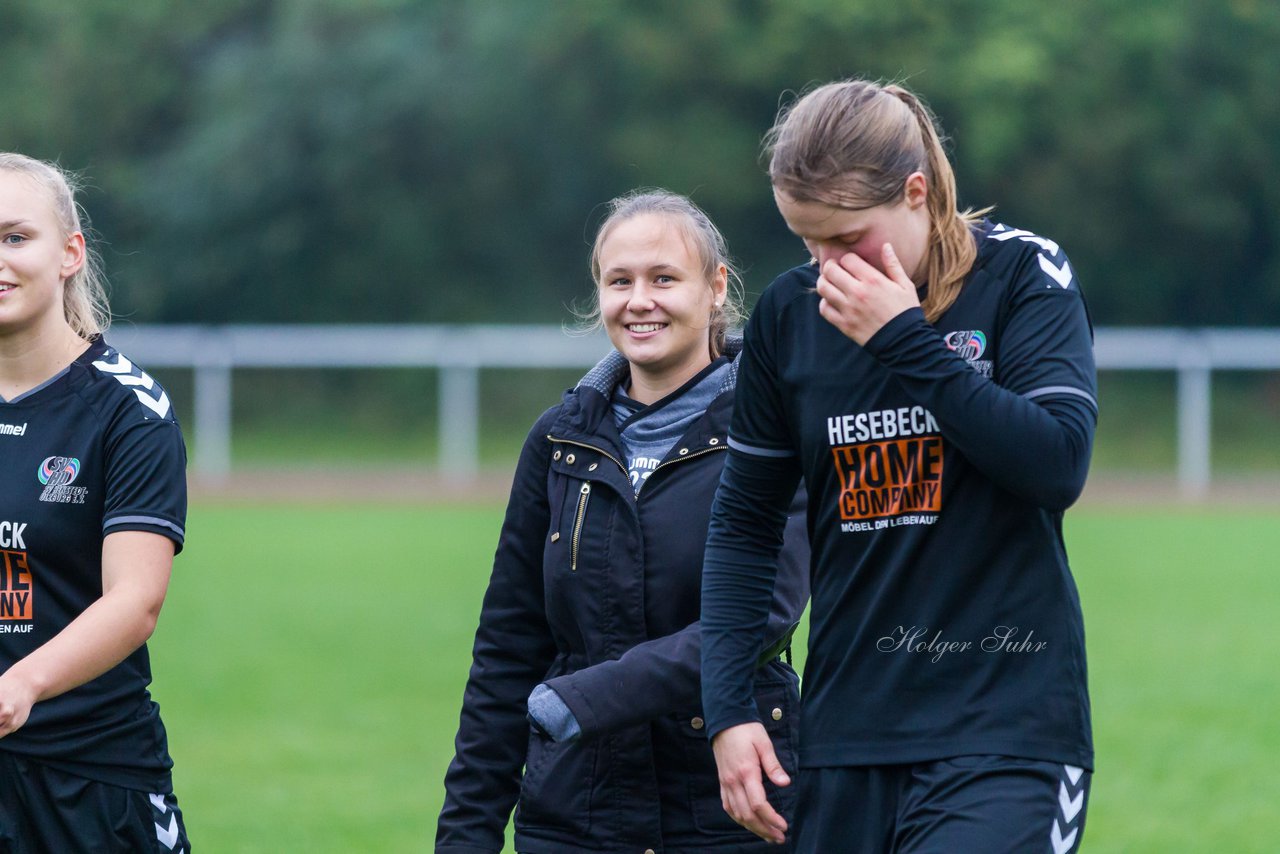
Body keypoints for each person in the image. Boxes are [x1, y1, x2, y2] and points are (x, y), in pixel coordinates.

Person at [701, 80, 1097, 853]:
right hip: (846, 738)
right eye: (805, 242)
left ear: (916, 193)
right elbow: (744, 527)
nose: (826, 266)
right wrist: (729, 709)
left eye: (846, 240)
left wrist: (903, 341)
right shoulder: (789, 314)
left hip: (1005, 730)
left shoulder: (1022, 277)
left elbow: (1058, 463)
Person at [436, 189, 809, 853]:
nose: (640, 300)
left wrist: (580, 700)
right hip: (576, 818)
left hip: (732, 813)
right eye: (620, 281)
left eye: (664, 278)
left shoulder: (773, 430)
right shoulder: (558, 440)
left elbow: (759, 617)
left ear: (716, 287)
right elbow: (506, 649)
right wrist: (466, 835)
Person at [0, 153, 191, 852]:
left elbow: (134, 602)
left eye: (16, 238)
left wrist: (20, 685)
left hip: (91, 778)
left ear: (69, 254)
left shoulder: (128, 411)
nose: (0, 258)